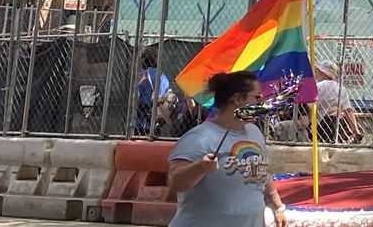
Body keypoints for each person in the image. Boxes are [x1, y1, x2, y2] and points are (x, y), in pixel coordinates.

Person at [167, 69, 286, 227]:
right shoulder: (199, 138)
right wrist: (200, 167)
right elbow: (175, 183)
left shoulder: (254, 132)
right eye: (257, 97)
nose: (261, 103)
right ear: (237, 99)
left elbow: (261, 172)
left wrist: (278, 207)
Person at [313, 63, 360, 144]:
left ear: (322, 73)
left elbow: (311, 106)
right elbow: (348, 110)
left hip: (319, 122)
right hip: (336, 123)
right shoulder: (341, 88)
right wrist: (355, 130)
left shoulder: (318, 86)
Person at [136, 50, 173, 137]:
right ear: (156, 61)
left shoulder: (139, 75)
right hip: (154, 118)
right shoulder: (161, 76)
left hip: (138, 120)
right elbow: (161, 95)